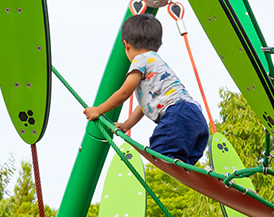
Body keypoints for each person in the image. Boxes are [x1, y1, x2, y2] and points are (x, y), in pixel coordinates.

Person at [83, 14, 209, 165]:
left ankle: (178, 163)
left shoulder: (140, 60)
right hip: (196, 117)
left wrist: (99, 110)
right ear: (158, 46)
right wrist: (126, 125)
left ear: (126, 45)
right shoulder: (157, 62)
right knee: (182, 161)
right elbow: (144, 106)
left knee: (161, 151)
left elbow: (124, 92)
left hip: (177, 115)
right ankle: (188, 168)